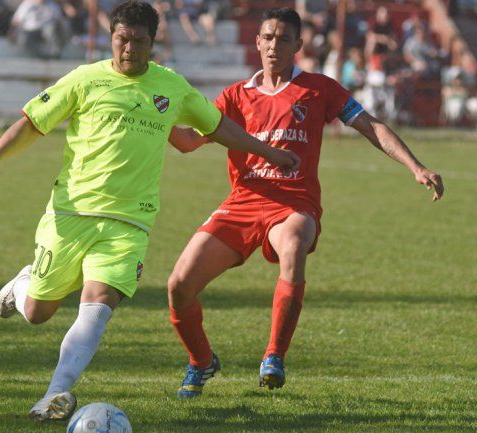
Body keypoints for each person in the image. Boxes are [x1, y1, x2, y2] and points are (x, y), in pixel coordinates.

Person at [0, 0, 299, 422]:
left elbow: (217, 127)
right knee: (37, 312)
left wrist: (267, 151)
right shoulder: (85, 80)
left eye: (139, 41)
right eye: (122, 39)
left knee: (98, 304)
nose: (129, 49)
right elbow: (33, 122)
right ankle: (22, 285)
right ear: (111, 38)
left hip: (130, 222)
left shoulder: (171, 86)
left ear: (152, 42)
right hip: (70, 214)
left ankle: (54, 395)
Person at [166, 7, 444, 398]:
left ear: (298, 45)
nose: (273, 45)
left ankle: (273, 357)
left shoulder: (319, 89)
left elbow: (370, 125)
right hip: (243, 202)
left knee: (293, 244)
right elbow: (188, 142)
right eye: (267, 37)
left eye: (283, 39)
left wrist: (415, 166)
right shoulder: (235, 96)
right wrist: (155, 117)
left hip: (294, 204)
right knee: (179, 285)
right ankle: (201, 361)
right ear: (257, 42)